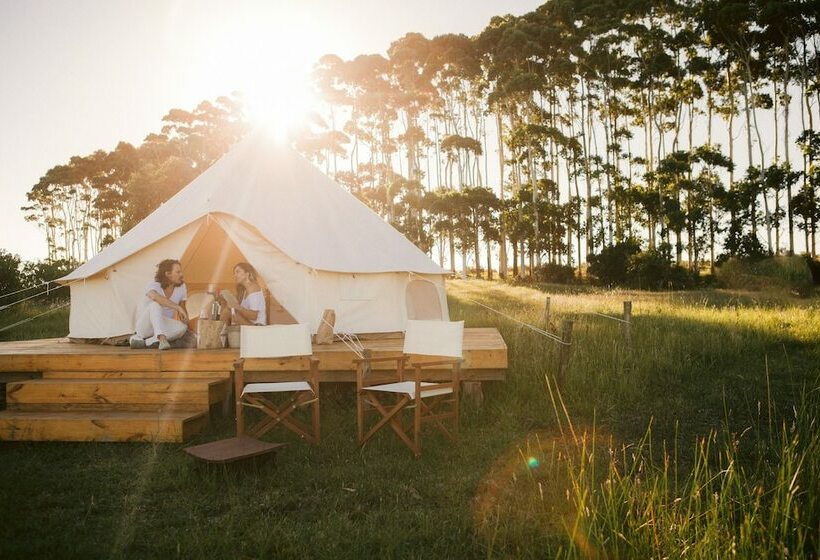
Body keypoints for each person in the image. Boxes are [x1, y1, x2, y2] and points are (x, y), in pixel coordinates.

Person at [130, 259, 189, 350]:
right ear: (168, 274)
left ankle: (144, 342)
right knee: (155, 305)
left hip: (164, 325)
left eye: (181, 271)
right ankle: (161, 338)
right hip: (145, 327)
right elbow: (155, 297)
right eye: (178, 272)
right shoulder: (153, 284)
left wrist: (185, 319)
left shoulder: (182, 287)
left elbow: (182, 308)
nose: (181, 275)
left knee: (182, 328)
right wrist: (176, 307)